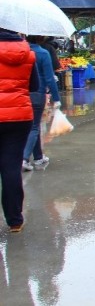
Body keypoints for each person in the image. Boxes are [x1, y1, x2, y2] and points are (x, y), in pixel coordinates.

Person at [0, 27, 37, 233]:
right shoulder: (28, 54)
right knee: (11, 168)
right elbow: (34, 85)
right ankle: (15, 220)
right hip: (19, 116)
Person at [22, 35, 61, 172]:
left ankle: (38, 157)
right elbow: (50, 78)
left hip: (21, 93)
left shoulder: (22, 51)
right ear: (41, 38)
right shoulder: (43, 53)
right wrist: (56, 98)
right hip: (38, 93)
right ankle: (25, 158)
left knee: (34, 125)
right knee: (34, 127)